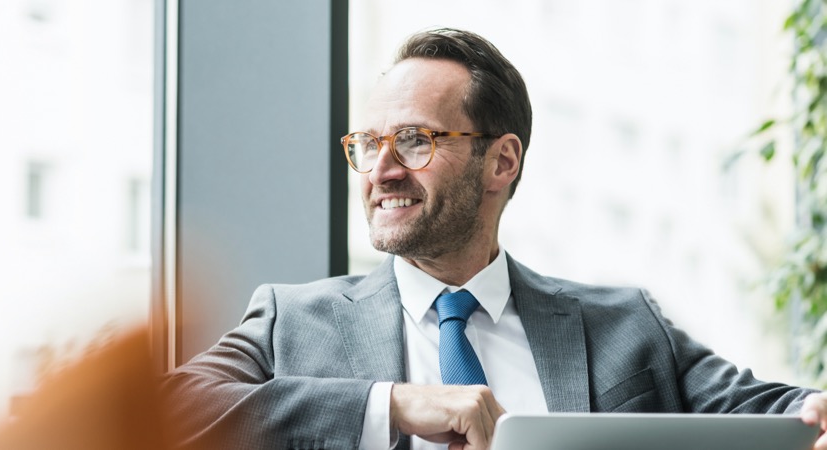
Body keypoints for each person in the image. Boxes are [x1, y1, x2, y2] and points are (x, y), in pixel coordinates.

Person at [162, 28, 827, 450]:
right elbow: (168, 413)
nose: (381, 169)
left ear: (501, 162)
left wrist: (817, 411)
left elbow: (781, 412)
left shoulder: (629, 326)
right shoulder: (292, 321)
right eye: (367, 144)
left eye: (416, 141)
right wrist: (390, 404)